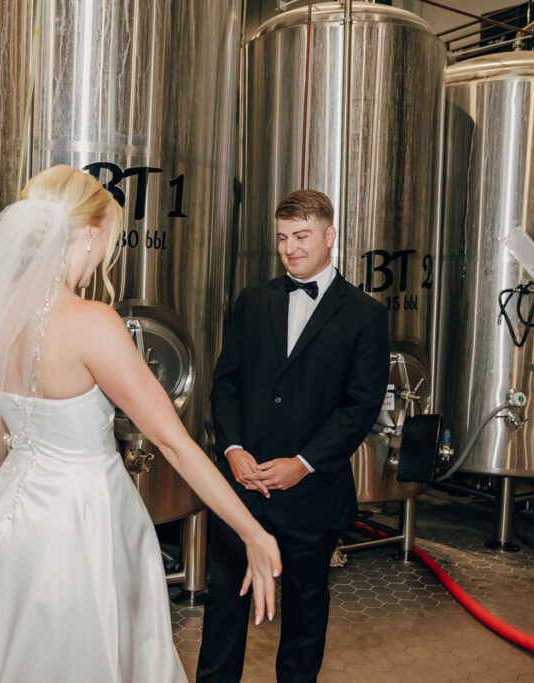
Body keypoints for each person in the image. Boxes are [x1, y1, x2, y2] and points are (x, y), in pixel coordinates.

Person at [0, 165, 281, 682]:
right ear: (89, 231)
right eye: (108, 236)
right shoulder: (93, 323)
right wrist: (251, 530)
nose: (105, 254)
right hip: (85, 519)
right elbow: (172, 442)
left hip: (11, 517)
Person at [196, 189, 390, 683]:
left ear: (329, 236)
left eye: (301, 236)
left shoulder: (365, 315)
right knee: (225, 601)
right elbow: (226, 382)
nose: (290, 248)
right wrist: (234, 449)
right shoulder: (252, 300)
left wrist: (303, 463)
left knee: (306, 610)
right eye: (282, 238)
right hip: (243, 485)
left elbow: (361, 405)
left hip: (312, 491)